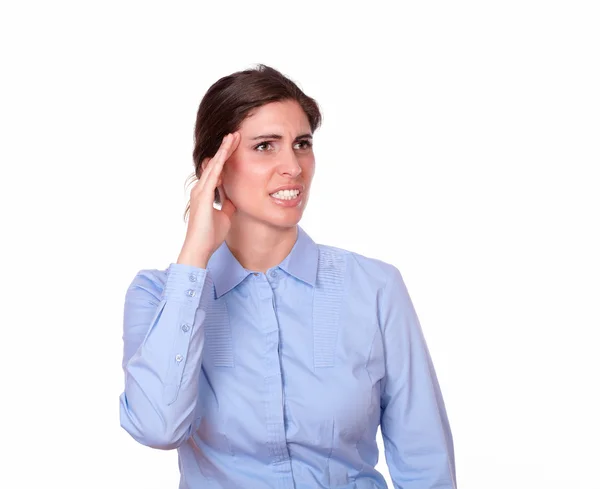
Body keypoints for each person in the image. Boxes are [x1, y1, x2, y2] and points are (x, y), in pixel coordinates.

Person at [119, 64, 457, 489]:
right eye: (265, 146)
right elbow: (158, 428)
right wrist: (194, 259)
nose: (293, 167)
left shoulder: (375, 288)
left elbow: (425, 463)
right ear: (214, 169)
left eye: (301, 144)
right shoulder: (157, 296)